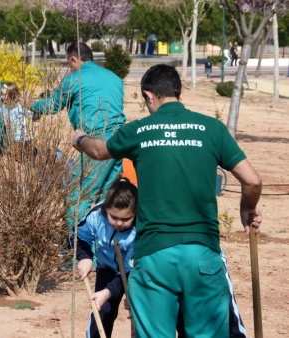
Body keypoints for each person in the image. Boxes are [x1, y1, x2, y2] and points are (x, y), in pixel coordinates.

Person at [71, 64, 262, 337]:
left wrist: (79, 138)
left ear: (149, 96)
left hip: (154, 258)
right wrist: (247, 208)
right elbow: (253, 181)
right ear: (179, 93)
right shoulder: (213, 129)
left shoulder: (138, 131)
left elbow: (99, 150)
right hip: (203, 255)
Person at [29, 42, 126, 228]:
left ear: (74, 59)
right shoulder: (114, 78)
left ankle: (79, 248)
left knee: (77, 196)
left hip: (97, 142)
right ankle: (105, 245)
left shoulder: (75, 78)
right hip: (119, 141)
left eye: (69, 63)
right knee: (107, 197)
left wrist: (32, 106)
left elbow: (53, 105)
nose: (69, 67)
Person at [75, 177, 136, 338]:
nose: (119, 223)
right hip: (106, 268)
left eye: (125, 219)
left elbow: (131, 270)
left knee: (139, 315)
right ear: (106, 209)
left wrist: (109, 291)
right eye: (114, 217)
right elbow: (78, 237)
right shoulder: (97, 214)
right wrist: (84, 257)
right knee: (102, 310)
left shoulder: (141, 229)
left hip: (135, 273)